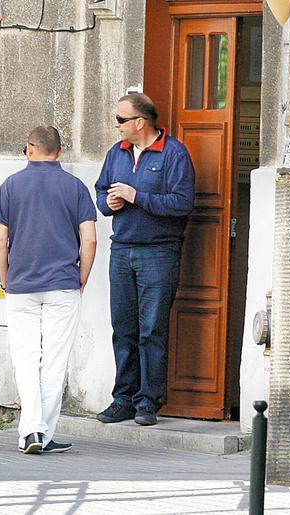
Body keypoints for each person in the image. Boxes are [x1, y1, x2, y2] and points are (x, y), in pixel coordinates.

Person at [0, 126, 97, 454]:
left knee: (25, 358)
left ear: (29, 149)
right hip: (63, 284)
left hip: (22, 285)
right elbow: (90, 239)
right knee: (54, 360)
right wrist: (82, 277)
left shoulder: (11, 185)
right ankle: (41, 434)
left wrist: (5, 279)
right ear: (60, 151)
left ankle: (32, 432)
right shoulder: (75, 188)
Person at [94, 93, 195, 426]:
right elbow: (100, 192)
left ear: (140, 122)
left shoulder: (174, 154)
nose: (116, 125)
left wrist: (138, 197)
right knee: (122, 328)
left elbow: (182, 204)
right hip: (122, 249)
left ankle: (148, 402)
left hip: (158, 252)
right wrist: (110, 203)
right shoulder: (116, 152)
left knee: (151, 330)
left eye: (121, 120)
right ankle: (122, 399)